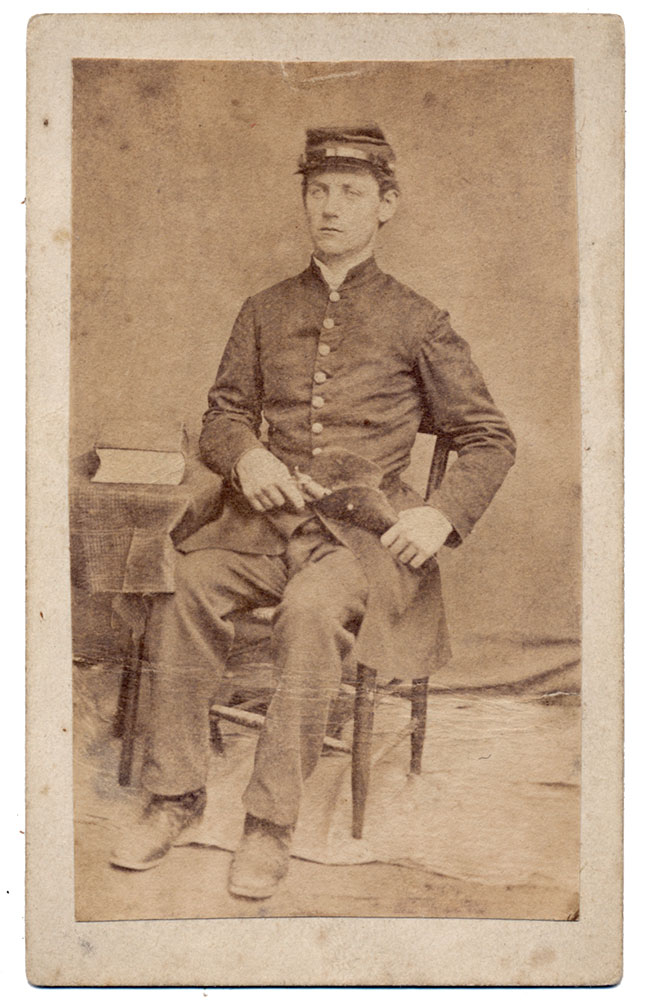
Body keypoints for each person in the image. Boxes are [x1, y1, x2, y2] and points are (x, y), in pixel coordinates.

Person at [110, 124, 516, 899]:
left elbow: (488, 438)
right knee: (186, 584)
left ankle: (270, 822)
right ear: (304, 198)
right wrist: (246, 456)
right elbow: (223, 415)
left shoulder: (419, 320)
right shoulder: (262, 309)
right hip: (262, 528)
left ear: (385, 206)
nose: (330, 207)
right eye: (318, 191)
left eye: (351, 194)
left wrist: (438, 516)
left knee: (310, 610)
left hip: (361, 544)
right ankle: (175, 794)